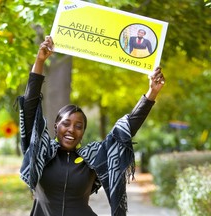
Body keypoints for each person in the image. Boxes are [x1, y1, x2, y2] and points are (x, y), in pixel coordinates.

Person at [17, 36, 165, 216]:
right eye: (66, 123)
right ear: (56, 126)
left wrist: (152, 92)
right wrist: (40, 61)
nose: (71, 129)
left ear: (83, 132)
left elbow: (126, 130)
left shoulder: (93, 158)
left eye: (78, 126)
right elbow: (30, 107)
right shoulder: (41, 152)